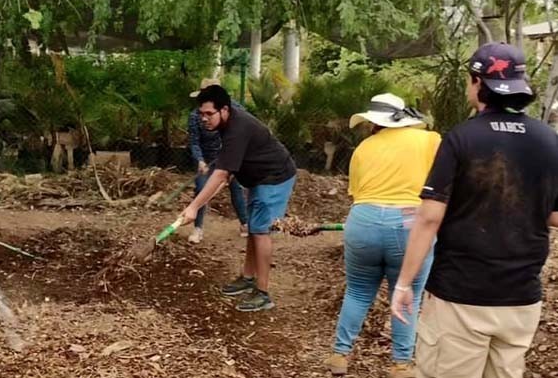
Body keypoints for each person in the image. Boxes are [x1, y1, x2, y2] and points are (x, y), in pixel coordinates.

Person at [391, 43, 558, 378]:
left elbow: (429, 218)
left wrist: (403, 284)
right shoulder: (548, 139)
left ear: (477, 83)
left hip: (461, 296)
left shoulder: (461, 138)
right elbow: (553, 215)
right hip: (521, 299)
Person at [323, 93, 440, 378]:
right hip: (408, 223)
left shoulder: (363, 148)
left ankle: (340, 355)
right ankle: (400, 364)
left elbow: (357, 193)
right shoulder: (429, 140)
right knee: (408, 294)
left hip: (363, 220)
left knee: (358, 291)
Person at [179, 84, 296, 312]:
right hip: (257, 178)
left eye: (208, 114)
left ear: (224, 109)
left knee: (261, 231)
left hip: (274, 177)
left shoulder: (238, 127)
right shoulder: (226, 123)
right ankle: (248, 278)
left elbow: (221, 174)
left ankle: (263, 293)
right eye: (201, 114)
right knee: (254, 228)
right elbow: (227, 165)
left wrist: (193, 207)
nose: (204, 119)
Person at [187, 78, 249, 243]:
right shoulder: (195, 116)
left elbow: (242, 135)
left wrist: (235, 159)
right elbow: (194, 142)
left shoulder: (235, 110)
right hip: (207, 160)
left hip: (230, 156)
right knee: (201, 190)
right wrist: (200, 160)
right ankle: (198, 229)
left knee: (236, 188)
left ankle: (245, 224)